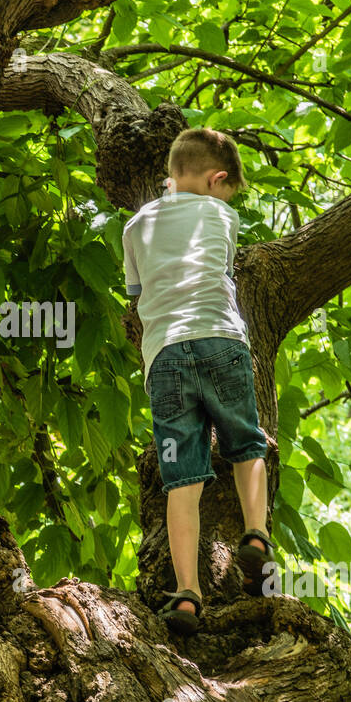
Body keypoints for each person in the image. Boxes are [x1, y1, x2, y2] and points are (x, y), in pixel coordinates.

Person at [122, 126, 275, 634]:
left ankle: (187, 593)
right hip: (221, 339)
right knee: (246, 444)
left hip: (165, 356)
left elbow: (136, 289)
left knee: (181, 479)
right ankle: (256, 535)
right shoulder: (222, 215)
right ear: (218, 179)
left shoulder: (136, 226)